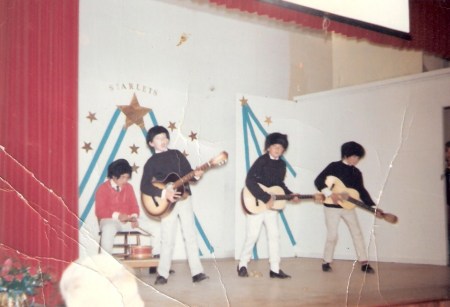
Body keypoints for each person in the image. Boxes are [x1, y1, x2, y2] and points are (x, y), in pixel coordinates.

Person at [140, 125, 208, 285]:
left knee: (190, 235)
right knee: (167, 237)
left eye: (164, 137)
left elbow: (188, 174)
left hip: (184, 199)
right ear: (151, 143)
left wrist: (196, 176)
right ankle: (162, 274)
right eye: (158, 138)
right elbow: (145, 186)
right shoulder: (151, 162)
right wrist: (165, 193)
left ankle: (197, 272)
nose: (162, 141)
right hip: (166, 204)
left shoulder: (177, 155)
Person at [237, 132, 299, 279]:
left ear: (284, 149)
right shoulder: (261, 161)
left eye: (281, 147)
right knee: (252, 235)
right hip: (257, 204)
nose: (277, 149)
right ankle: (242, 265)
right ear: (268, 147)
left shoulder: (282, 164)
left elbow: (279, 185)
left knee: (274, 236)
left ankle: (275, 269)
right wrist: (265, 197)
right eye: (274, 146)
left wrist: (291, 195)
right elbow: (250, 181)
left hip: (272, 207)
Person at [314, 141, 382, 273]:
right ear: (346, 155)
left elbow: (361, 191)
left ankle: (364, 262)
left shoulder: (356, 172)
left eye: (358, 158)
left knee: (357, 233)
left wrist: (372, 206)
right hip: (331, 207)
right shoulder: (334, 166)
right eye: (354, 157)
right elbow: (318, 181)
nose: (356, 160)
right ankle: (326, 261)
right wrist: (330, 194)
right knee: (332, 235)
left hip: (348, 208)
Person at [95, 159, 142, 254]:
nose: (125, 180)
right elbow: (99, 211)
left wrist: (134, 217)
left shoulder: (129, 187)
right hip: (109, 221)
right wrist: (118, 215)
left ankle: (155, 260)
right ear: (113, 176)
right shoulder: (102, 188)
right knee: (108, 229)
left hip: (128, 221)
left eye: (127, 177)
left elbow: (134, 206)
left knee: (153, 225)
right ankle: (105, 263)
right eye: (122, 177)